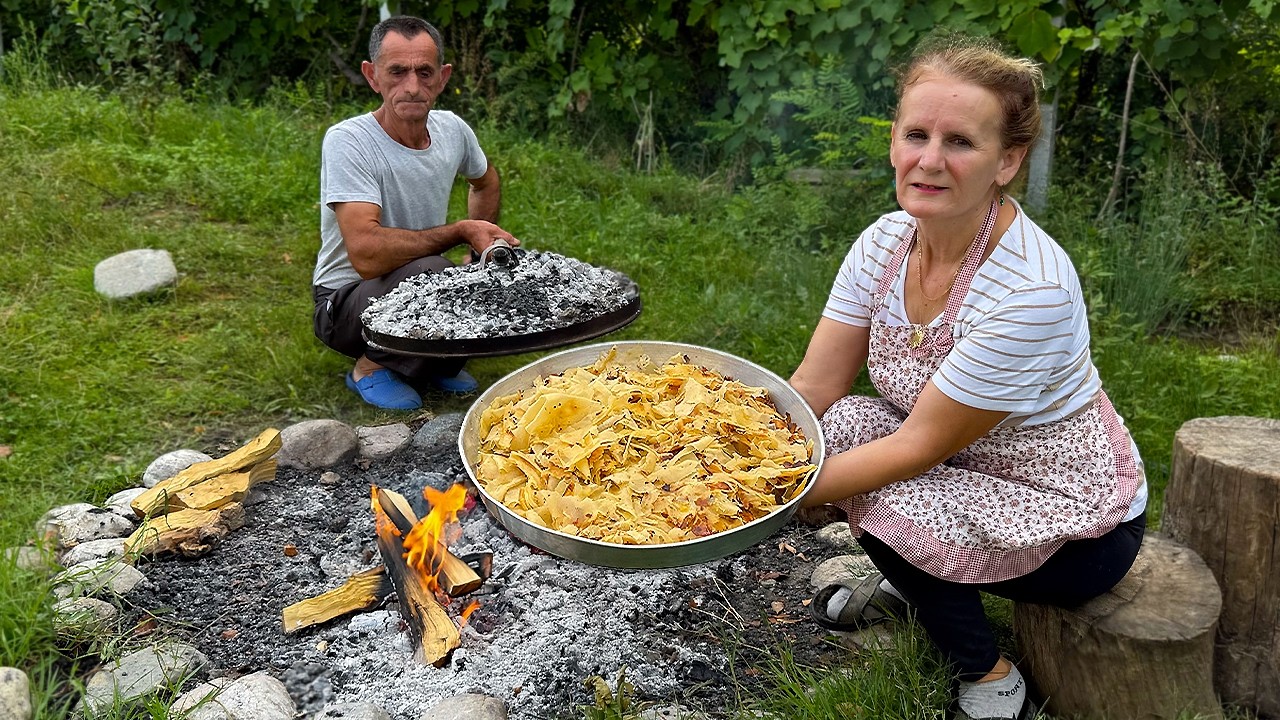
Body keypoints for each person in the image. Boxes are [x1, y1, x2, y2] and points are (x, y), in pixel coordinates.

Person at [789, 34, 1148, 720]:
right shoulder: (884, 242)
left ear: (1007, 160)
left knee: (882, 495)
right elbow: (814, 386)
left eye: (959, 142)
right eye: (916, 134)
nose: (928, 160)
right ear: (893, 140)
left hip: (1070, 521)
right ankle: (919, 578)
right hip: (966, 466)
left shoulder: (1029, 290)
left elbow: (917, 450)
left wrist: (765, 498)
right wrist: (722, 451)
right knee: (836, 429)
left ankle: (990, 677)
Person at [312, 15, 519, 410]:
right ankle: (370, 366)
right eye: (397, 71)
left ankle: (432, 359)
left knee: (491, 279)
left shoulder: (452, 130)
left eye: (424, 72)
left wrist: (478, 256)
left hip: (420, 276)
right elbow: (366, 253)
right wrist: (460, 231)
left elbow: (485, 181)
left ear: (442, 78)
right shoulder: (349, 141)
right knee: (435, 273)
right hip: (345, 303)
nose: (412, 86)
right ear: (373, 76)